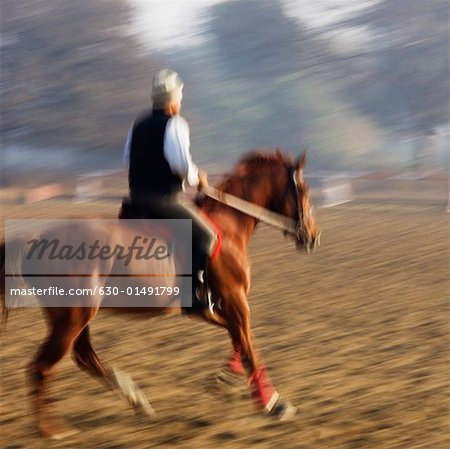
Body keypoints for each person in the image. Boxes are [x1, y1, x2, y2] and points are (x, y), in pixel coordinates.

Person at [122, 68, 216, 313]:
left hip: (135, 201)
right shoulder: (176, 125)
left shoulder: (138, 124)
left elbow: (126, 159)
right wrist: (198, 179)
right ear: (173, 100)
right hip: (164, 201)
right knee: (208, 236)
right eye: (180, 97)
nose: (181, 102)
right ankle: (191, 296)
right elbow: (181, 165)